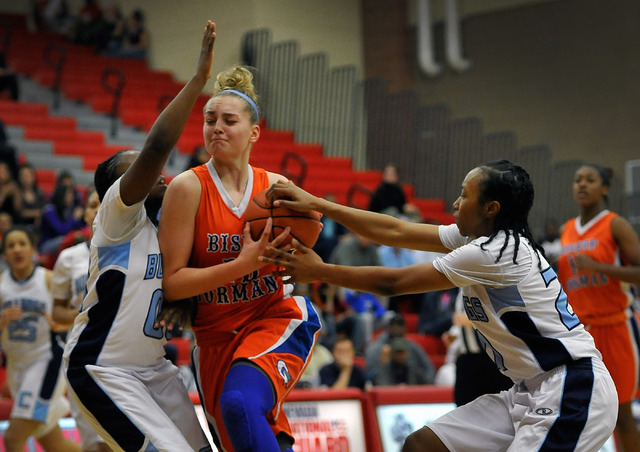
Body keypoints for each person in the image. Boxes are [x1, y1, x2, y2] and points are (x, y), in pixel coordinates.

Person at [263, 160, 618, 452]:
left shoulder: (493, 253)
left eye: (464, 196)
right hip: (527, 391)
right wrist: (316, 203)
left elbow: (393, 283)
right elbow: (396, 231)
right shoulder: (476, 238)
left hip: (571, 388)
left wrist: (320, 271)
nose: (455, 203)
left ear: (490, 208)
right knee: (422, 446)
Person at [62, 20, 217, 452]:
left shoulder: (170, 225)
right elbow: (155, 148)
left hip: (155, 368)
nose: (157, 172)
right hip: (103, 366)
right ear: (117, 187)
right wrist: (199, 80)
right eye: (135, 171)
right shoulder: (115, 218)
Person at [157, 64, 322, 451]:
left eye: (229, 121)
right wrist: (243, 264)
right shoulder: (187, 187)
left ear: (254, 132)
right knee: (251, 436)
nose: (217, 127)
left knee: (239, 403)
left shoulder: (277, 187)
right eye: (209, 119)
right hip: (214, 340)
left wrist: (296, 256)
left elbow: (309, 255)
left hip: (273, 319)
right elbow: (173, 282)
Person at [557, 163, 640, 452]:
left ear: (604, 188)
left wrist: (598, 267)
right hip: (581, 333)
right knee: (579, 414)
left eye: (590, 180)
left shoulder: (614, 224)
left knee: (622, 415)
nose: (582, 185)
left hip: (616, 327)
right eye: (577, 179)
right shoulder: (566, 229)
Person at [0, 226, 81, 452]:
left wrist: (62, 323)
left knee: (12, 439)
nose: (17, 249)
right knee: (55, 444)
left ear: (33, 249)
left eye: (22, 244)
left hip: (46, 363)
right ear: (4, 254)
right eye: (10, 245)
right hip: (18, 369)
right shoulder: (1, 286)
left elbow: (76, 312)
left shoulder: (48, 279)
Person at [51, 188, 108, 452]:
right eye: (91, 205)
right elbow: (57, 313)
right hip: (81, 354)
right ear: (84, 214)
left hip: (120, 355)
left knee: (118, 441)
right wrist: (87, 315)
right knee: (93, 445)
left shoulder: (133, 251)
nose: (96, 210)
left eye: (103, 203)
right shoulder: (69, 257)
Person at [365, 312, 435, 384]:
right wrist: (382, 365)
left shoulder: (414, 348)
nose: (396, 328)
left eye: (399, 325)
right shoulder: (375, 349)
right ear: (387, 328)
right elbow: (369, 378)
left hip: (411, 389)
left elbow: (429, 370)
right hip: (387, 389)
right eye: (393, 324)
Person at [15, 163, 47, 234]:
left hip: (37, 227)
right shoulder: (16, 192)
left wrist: (37, 214)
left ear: (33, 176)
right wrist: (37, 213)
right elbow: (20, 212)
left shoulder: (40, 192)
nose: (25, 178)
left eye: (27, 175)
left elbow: (44, 210)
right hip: (20, 225)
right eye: (22, 176)